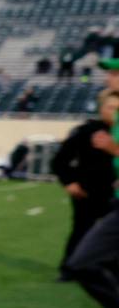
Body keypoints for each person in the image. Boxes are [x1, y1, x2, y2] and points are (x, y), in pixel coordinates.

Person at [53, 89, 118, 278]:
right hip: (87, 192)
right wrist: (70, 182)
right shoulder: (86, 131)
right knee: (82, 229)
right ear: (101, 109)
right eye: (110, 107)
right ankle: (69, 268)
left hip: (115, 195)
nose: (115, 112)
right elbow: (60, 160)